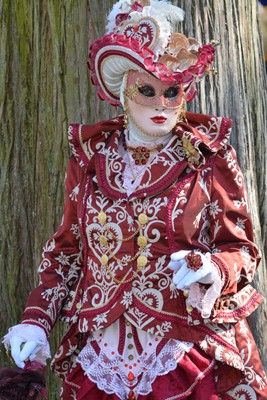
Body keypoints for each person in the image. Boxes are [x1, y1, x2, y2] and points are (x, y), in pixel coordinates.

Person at [3, 1, 267, 399]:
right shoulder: (91, 160)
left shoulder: (208, 158)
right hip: (100, 357)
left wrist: (213, 269)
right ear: (123, 89)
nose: (162, 103)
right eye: (147, 90)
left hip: (186, 349)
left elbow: (241, 249)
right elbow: (67, 254)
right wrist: (36, 321)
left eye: (172, 91)